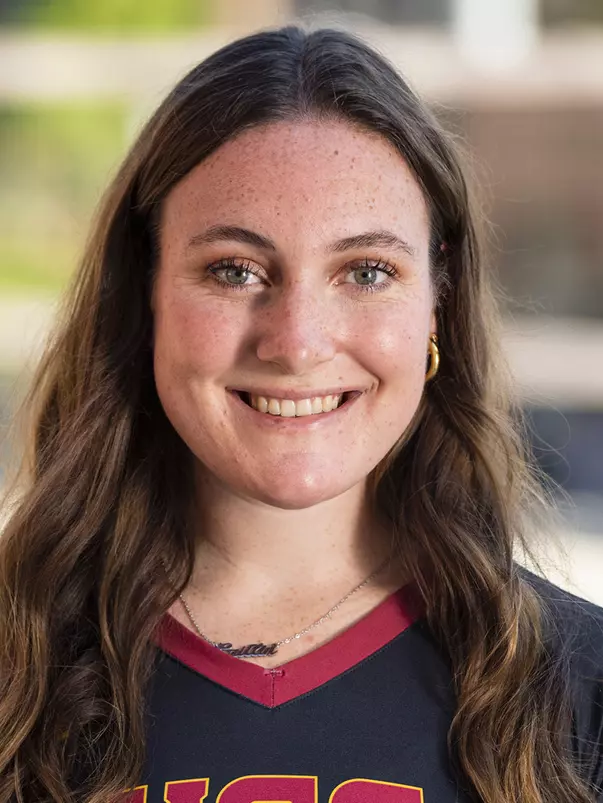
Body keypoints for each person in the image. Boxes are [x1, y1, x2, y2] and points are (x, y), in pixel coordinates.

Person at [0, 23, 601, 803]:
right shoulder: (16, 674)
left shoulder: (581, 688)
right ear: (143, 292)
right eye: (234, 269)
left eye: (366, 271)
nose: (296, 343)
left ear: (436, 304)